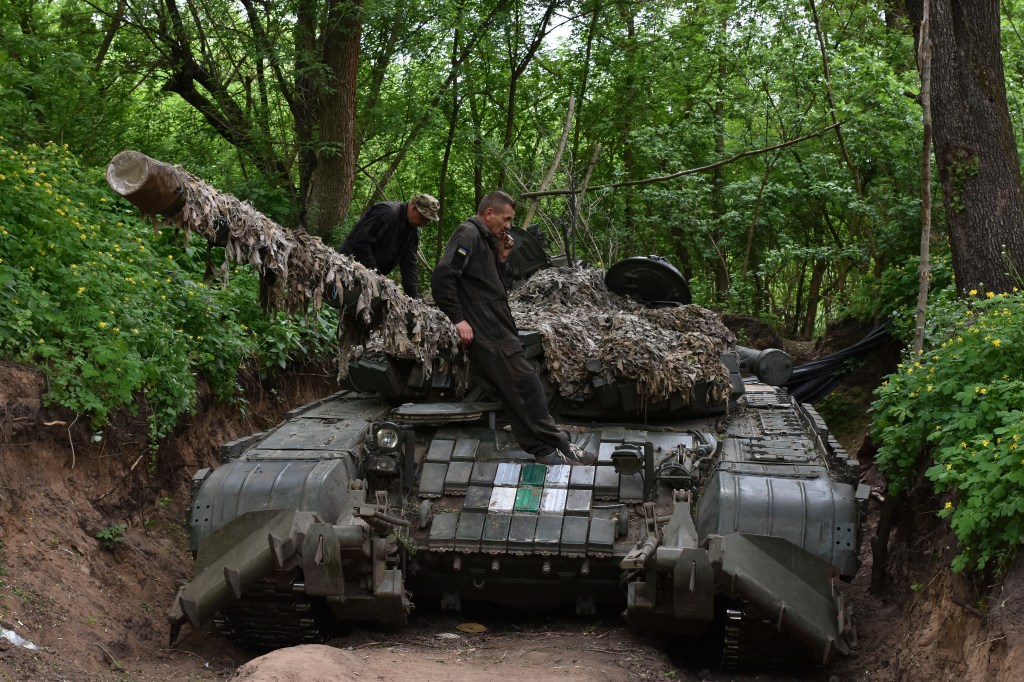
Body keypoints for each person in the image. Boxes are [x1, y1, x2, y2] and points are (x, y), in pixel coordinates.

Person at [431, 191, 595, 466]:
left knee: (512, 393)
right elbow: (443, 278)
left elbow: (486, 283)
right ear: (489, 214)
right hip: (487, 331)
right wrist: (458, 319)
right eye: (506, 219)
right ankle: (560, 444)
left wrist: (502, 258)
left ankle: (542, 450)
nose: (508, 225)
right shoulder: (467, 235)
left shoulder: (485, 240)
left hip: (498, 326)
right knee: (527, 386)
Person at [339, 194, 440, 297]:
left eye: (428, 220)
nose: (425, 223)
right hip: (349, 267)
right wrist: (376, 274)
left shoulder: (412, 233)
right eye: (424, 218)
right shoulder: (387, 213)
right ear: (414, 208)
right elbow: (361, 243)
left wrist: (414, 297)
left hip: (370, 276)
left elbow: (409, 265)